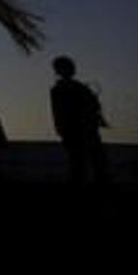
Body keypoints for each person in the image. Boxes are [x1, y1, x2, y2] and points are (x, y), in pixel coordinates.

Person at [50, 55, 110, 184]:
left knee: (83, 162)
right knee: (87, 161)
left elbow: (58, 114)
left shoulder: (62, 89)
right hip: (80, 130)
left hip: (79, 130)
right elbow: (59, 113)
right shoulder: (72, 88)